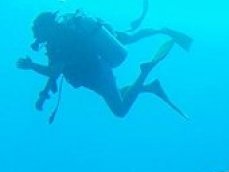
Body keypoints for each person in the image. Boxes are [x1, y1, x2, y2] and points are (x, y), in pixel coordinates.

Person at [16, 8, 191, 120]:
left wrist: (31, 66)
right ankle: (160, 34)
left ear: (46, 27)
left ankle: (144, 72)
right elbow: (54, 72)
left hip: (97, 73)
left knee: (120, 110)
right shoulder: (58, 40)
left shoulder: (60, 41)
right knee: (128, 37)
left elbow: (54, 72)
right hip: (96, 66)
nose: (37, 37)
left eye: (38, 31)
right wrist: (44, 94)